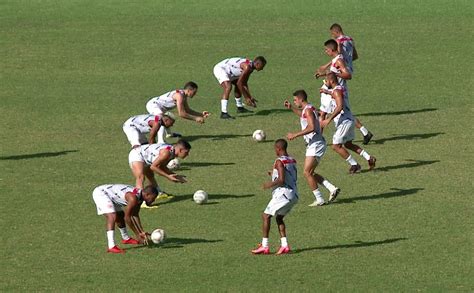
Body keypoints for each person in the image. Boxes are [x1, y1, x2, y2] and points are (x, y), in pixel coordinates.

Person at [284, 90, 340, 206]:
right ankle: (332, 188)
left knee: (306, 172)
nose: (294, 102)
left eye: (295, 100)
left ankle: (319, 199)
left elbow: (312, 127)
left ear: (300, 99)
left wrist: (295, 134)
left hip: (316, 143)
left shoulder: (308, 110)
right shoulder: (308, 108)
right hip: (314, 143)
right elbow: (303, 115)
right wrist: (291, 108)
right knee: (310, 172)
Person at [316, 37, 373, 145]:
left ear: (331, 50)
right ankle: (365, 132)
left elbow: (348, 75)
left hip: (337, 91)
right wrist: (324, 74)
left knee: (324, 113)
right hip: (335, 90)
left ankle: (318, 140)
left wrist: (334, 74)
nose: (325, 52)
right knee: (343, 113)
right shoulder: (336, 58)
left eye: (326, 50)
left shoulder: (339, 60)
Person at [320, 73, 376, 173]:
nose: (325, 83)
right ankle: (369, 158)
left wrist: (329, 119)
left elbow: (340, 106)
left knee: (336, 146)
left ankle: (355, 165)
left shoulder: (336, 91)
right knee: (348, 144)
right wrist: (326, 91)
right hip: (349, 120)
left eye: (326, 81)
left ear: (332, 81)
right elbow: (335, 94)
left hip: (344, 121)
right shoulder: (338, 89)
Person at [251, 139, 298, 255]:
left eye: (275, 149)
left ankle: (264, 246)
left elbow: (281, 180)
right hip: (294, 195)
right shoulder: (291, 160)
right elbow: (288, 175)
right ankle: (285, 245)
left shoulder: (279, 161)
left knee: (266, 216)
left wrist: (269, 184)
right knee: (279, 218)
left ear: (278, 148)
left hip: (283, 194)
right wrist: (273, 174)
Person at [92, 184, 159, 253]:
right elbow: (127, 217)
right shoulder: (133, 198)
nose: (153, 201)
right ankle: (111, 246)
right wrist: (137, 234)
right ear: (147, 195)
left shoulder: (140, 198)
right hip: (101, 193)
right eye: (153, 198)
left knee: (120, 215)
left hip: (112, 196)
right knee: (112, 216)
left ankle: (126, 238)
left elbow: (135, 215)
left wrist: (141, 232)